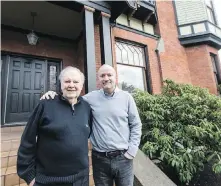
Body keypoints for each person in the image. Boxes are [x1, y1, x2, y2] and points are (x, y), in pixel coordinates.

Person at [41, 64, 142, 186]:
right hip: (99, 159)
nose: (106, 78)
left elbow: (135, 124)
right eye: (102, 76)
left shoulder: (127, 98)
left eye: (109, 75)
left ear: (115, 77)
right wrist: (55, 95)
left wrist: (132, 150)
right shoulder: (90, 98)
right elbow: (71, 97)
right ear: (98, 79)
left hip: (123, 158)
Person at [17, 66, 92, 186]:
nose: (71, 85)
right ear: (61, 84)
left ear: (82, 85)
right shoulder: (45, 105)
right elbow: (27, 141)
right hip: (48, 181)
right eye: (67, 81)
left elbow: (87, 134)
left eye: (76, 82)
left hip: (80, 179)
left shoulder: (86, 107)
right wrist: (29, 175)